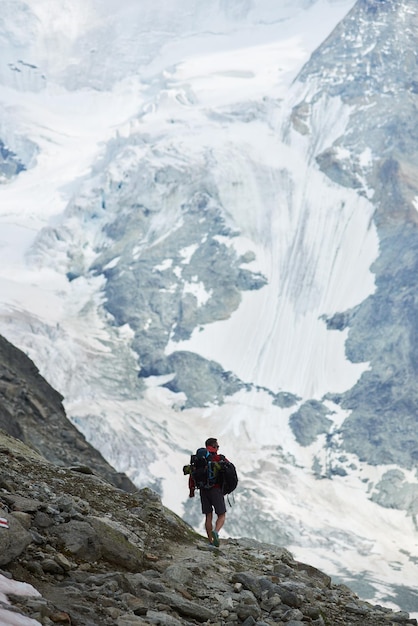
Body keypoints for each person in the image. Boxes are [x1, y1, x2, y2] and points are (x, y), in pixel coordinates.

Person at [188, 437, 227, 547]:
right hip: (215, 489)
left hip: (203, 490)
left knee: (208, 516)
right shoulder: (218, 458)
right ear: (214, 447)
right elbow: (229, 470)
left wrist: (191, 490)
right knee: (221, 515)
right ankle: (216, 532)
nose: (218, 448)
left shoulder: (198, 458)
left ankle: (210, 540)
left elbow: (192, 474)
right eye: (217, 446)